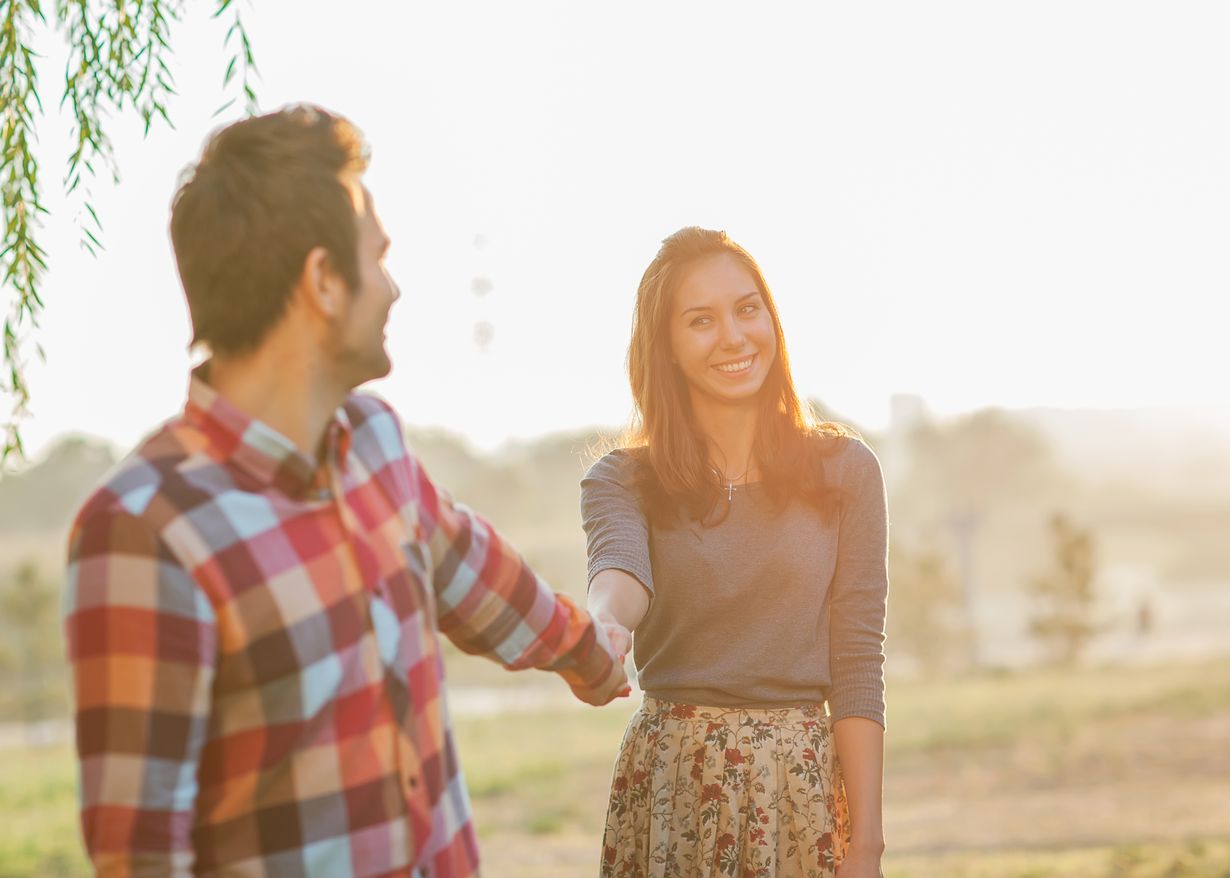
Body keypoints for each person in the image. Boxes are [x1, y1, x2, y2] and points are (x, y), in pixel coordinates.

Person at [62, 105, 629, 878]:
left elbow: (473, 571)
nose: (394, 288)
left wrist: (593, 653)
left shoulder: (375, 444)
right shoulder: (145, 529)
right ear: (323, 280)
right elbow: (141, 857)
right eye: (379, 257)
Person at [583, 227, 889, 878]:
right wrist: (603, 625)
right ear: (664, 347)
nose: (733, 336)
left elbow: (858, 661)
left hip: (799, 794)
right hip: (673, 786)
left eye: (747, 309)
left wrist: (866, 845)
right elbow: (620, 575)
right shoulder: (623, 478)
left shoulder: (843, 470)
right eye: (701, 320)